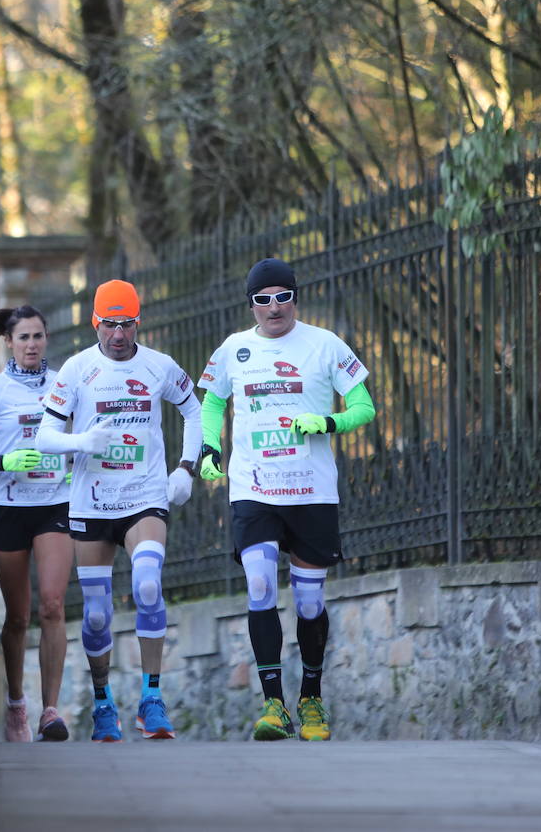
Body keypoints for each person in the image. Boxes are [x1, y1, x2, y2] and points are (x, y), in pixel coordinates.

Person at [197, 258, 376, 741]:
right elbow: (212, 403)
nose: (273, 307)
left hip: (311, 490)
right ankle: (273, 704)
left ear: (296, 297)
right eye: (262, 299)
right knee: (259, 586)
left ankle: (311, 699)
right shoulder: (234, 350)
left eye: (282, 296)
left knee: (309, 601)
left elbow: (365, 406)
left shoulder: (324, 344)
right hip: (253, 488)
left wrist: (330, 422)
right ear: (251, 304)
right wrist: (209, 447)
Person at [35, 280, 201, 741]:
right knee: (95, 614)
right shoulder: (76, 370)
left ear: (137, 322)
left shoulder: (159, 367)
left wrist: (186, 468)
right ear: (95, 323)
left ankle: (152, 698)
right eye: (109, 324)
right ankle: (104, 703)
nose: (118, 334)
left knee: (148, 584)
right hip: (92, 500)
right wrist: (81, 441)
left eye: (126, 324)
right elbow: (44, 437)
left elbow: (195, 410)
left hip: (144, 493)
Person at [0, 305, 74, 742]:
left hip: (55, 504)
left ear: (46, 340)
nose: (31, 345)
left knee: (53, 606)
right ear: (9, 341)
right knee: (19, 617)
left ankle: (51, 712)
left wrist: (75, 460)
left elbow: (83, 430)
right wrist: (1, 459)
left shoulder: (64, 383)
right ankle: (18, 706)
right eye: (23, 338)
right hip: (8, 508)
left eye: (38, 336)